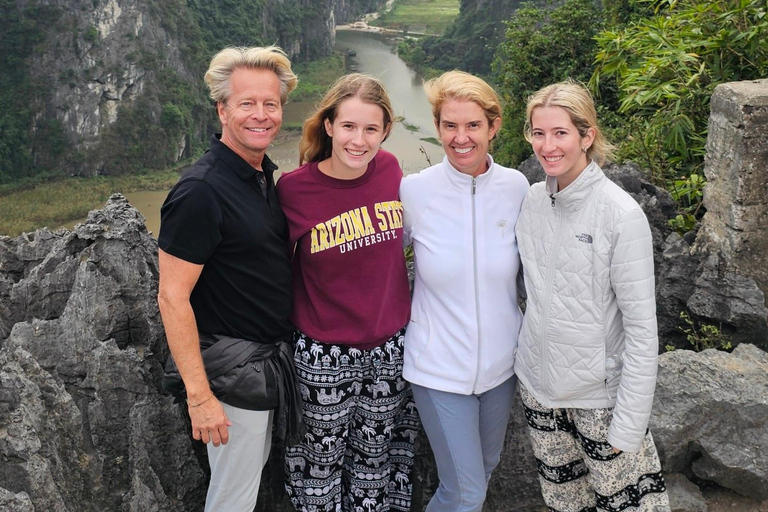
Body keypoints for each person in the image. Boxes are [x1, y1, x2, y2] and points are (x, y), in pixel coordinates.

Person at [514, 80, 670, 511]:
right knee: (565, 504)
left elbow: (641, 329)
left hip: (599, 402)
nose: (548, 146)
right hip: (539, 390)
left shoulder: (620, 215)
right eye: (538, 132)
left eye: (560, 133)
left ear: (587, 136)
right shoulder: (531, 201)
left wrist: (629, 426)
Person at [157, 46, 300, 511]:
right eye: (246, 104)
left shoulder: (259, 175)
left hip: (265, 366)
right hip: (232, 372)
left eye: (271, 104)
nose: (261, 115)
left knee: (245, 487)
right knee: (232, 499)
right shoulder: (201, 191)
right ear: (222, 109)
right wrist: (200, 398)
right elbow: (172, 298)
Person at [277, 73, 418, 512]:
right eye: (349, 127)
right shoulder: (295, 189)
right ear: (329, 126)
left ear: (385, 131)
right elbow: (271, 269)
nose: (359, 140)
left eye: (371, 129)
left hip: (390, 350)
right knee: (319, 469)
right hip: (323, 356)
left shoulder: (392, 171)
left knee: (376, 462)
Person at [399, 70, 529, 512]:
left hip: (500, 368)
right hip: (437, 368)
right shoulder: (414, 192)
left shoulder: (516, 188)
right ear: (436, 127)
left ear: (493, 127)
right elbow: (379, 263)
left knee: (484, 469)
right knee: (467, 492)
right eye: (450, 125)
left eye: (473, 125)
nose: (461, 137)